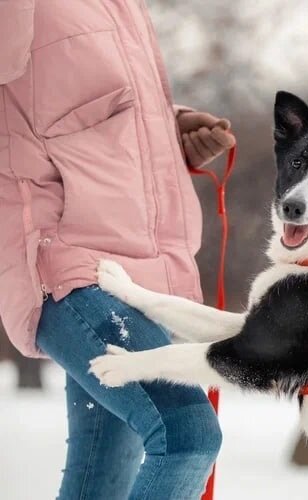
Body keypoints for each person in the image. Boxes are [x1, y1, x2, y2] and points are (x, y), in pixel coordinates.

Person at [0, 2, 236, 498]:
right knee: (186, 435)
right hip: (64, 263)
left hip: (131, 272)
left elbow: (62, 101)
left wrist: (168, 131)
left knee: (103, 472)